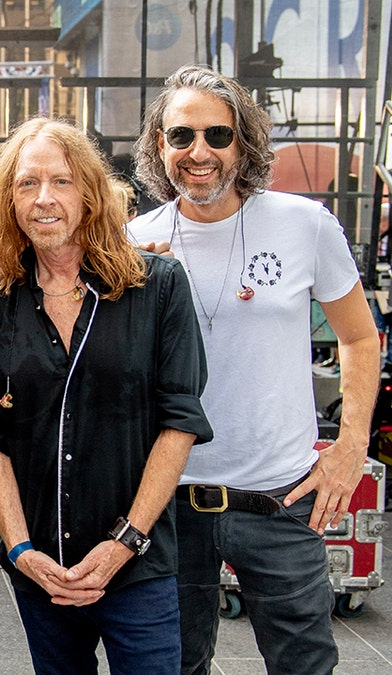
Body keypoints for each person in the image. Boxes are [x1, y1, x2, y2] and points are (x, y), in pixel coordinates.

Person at [129, 65, 381, 675]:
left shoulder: (304, 224)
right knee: (173, 665)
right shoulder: (134, 241)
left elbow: (358, 337)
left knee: (304, 664)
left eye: (218, 135)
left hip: (282, 499)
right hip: (168, 503)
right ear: (159, 145)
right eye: (181, 135)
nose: (199, 152)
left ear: (243, 142)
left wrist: (351, 445)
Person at [0, 117, 213, 673]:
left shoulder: (158, 285)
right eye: (27, 183)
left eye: (62, 181)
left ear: (91, 193)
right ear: (9, 201)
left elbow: (180, 423)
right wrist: (21, 550)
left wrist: (125, 541)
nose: (44, 198)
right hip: (41, 571)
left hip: (137, 567)